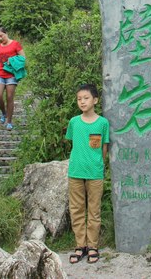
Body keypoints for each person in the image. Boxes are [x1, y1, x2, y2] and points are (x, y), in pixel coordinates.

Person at [66, 83, 110, 265]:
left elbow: (104, 148)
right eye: (79, 99)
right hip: (75, 171)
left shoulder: (102, 123)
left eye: (86, 98)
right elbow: (72, 144)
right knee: (76, 210)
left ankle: (92, 246)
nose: (82, 102)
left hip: (95, 173)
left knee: (94, 210)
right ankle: (80, 246)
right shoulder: (74, 122)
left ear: (95, 100)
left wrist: (98, 164)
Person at [0, 27, 24, 130]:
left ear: (6, 33)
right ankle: (4, 112)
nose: (0, 38)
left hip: (11, 75)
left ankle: (9, 121)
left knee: (9, 97)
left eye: (2, 35)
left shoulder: (15, 44)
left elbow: (23, 58)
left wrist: (12, 60)